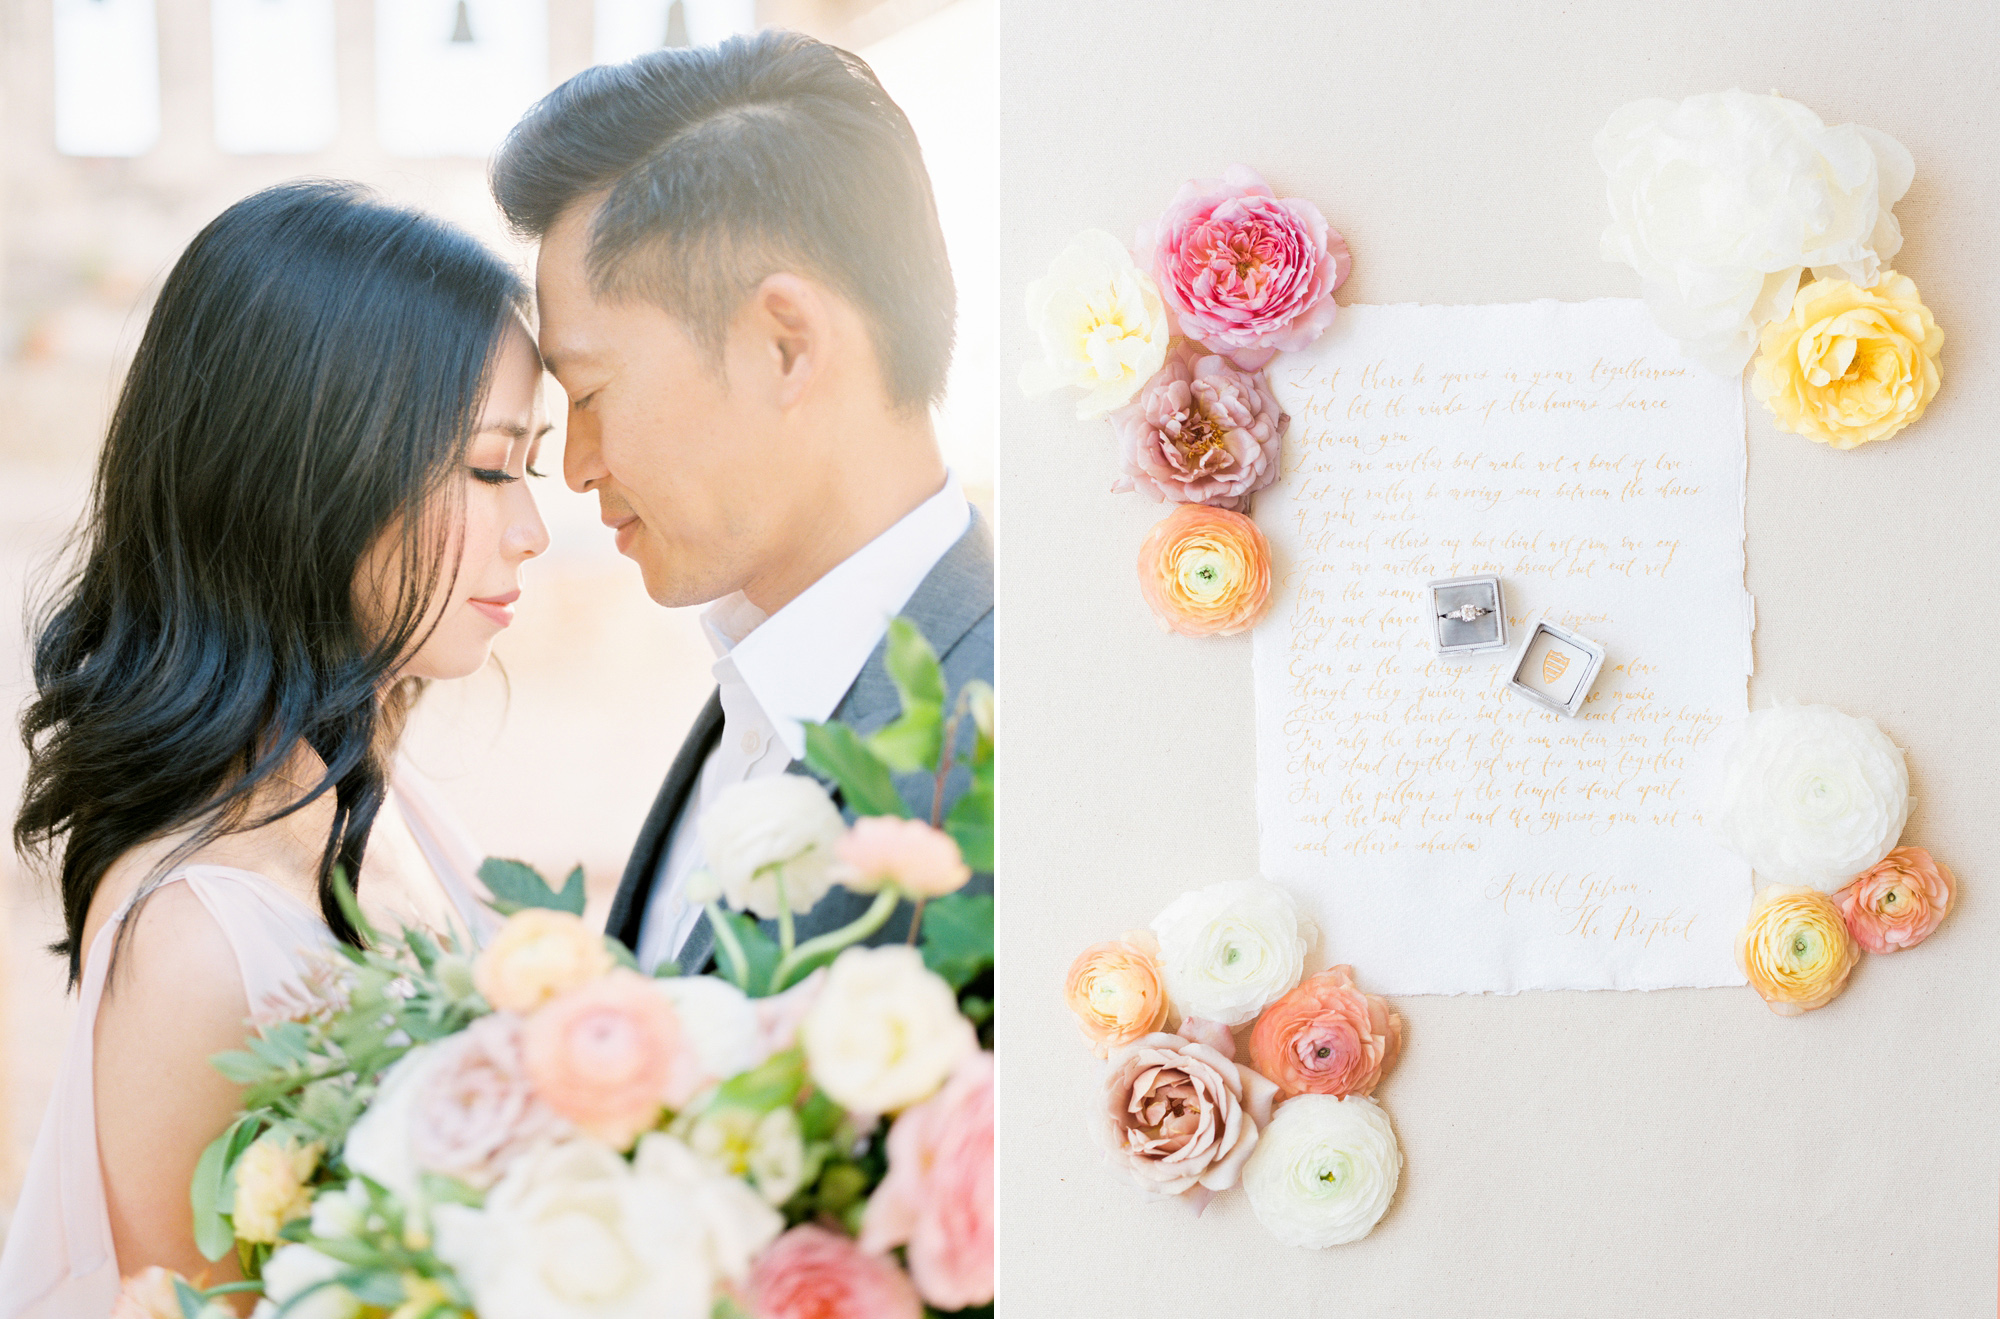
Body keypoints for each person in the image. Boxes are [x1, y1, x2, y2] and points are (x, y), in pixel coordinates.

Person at [0, 182, 550, 1314]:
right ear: (315, 470)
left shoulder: (368, 799)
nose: (531, 529)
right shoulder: (199, 946)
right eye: (492, 468)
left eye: (527, 468)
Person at [490, 29, 993, 974]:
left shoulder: (1010, 738)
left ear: (785, 346)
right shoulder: (757, 679)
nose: (578, 466)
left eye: (590, 393)